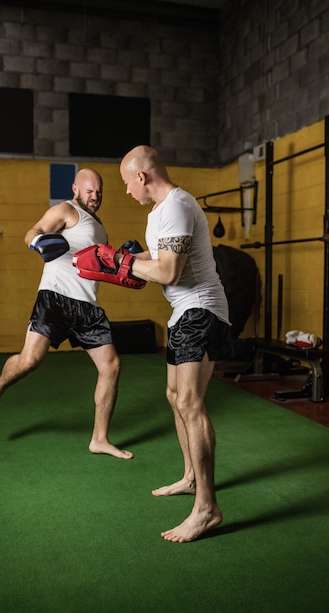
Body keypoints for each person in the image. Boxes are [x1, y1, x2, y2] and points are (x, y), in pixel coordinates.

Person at [119, 145, 232, 542]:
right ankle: (190, 477)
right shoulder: (159, 212)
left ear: (142, 177)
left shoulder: (178, 206)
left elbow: (168, 270)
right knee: (174, 396)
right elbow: (161, 253)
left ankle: (206, 508)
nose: (127, 192)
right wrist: (123, 260)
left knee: (190, 402)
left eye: (126, 184)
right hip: (185, 312)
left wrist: (125, 264)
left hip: (201, 310)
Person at [0, 168, 133, 460]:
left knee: (111, 366)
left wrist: (122, 263)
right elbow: (33, 232)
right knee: (30, 361)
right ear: (76, 188)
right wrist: (38, 242)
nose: (95, 197)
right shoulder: (65, 209)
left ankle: (99, 439)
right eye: (89, 191)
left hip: (88, 305)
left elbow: (97, 267)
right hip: (55, 297)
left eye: (99, 192)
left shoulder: (99, 226)